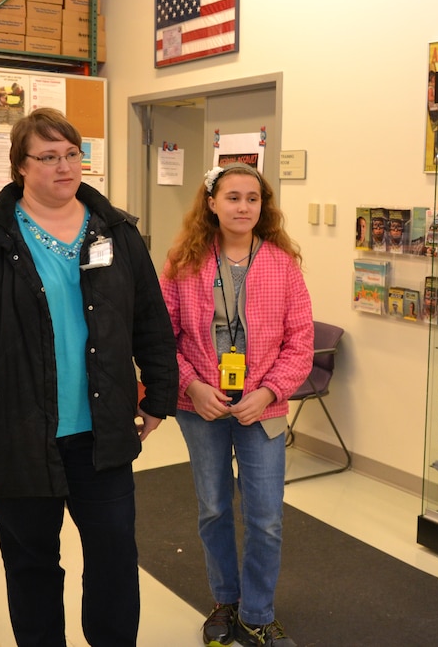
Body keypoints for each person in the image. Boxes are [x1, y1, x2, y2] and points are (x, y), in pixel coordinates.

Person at [0, 108, 178, 647]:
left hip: (102, 434)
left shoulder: (116, 230)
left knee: (115, 560)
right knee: (32, 566)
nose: (65, 167)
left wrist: (161, 395)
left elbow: (150, 321)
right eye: (48, 157)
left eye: (72, 154)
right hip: (20, 435)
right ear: (20, 165)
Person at [160, 163, 313, 647]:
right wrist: (190, 385)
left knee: (266, 518)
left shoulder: (282, 263)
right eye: (233, 197)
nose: (243, 207)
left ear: (263, 206)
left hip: (261, 409)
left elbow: (301, 342)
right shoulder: (182, 261)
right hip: (200, 406)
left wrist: (269, 392)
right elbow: (162, 337)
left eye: (253, 198)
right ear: (211, 202)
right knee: (213, 510)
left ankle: (257, 613)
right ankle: (225, 603)